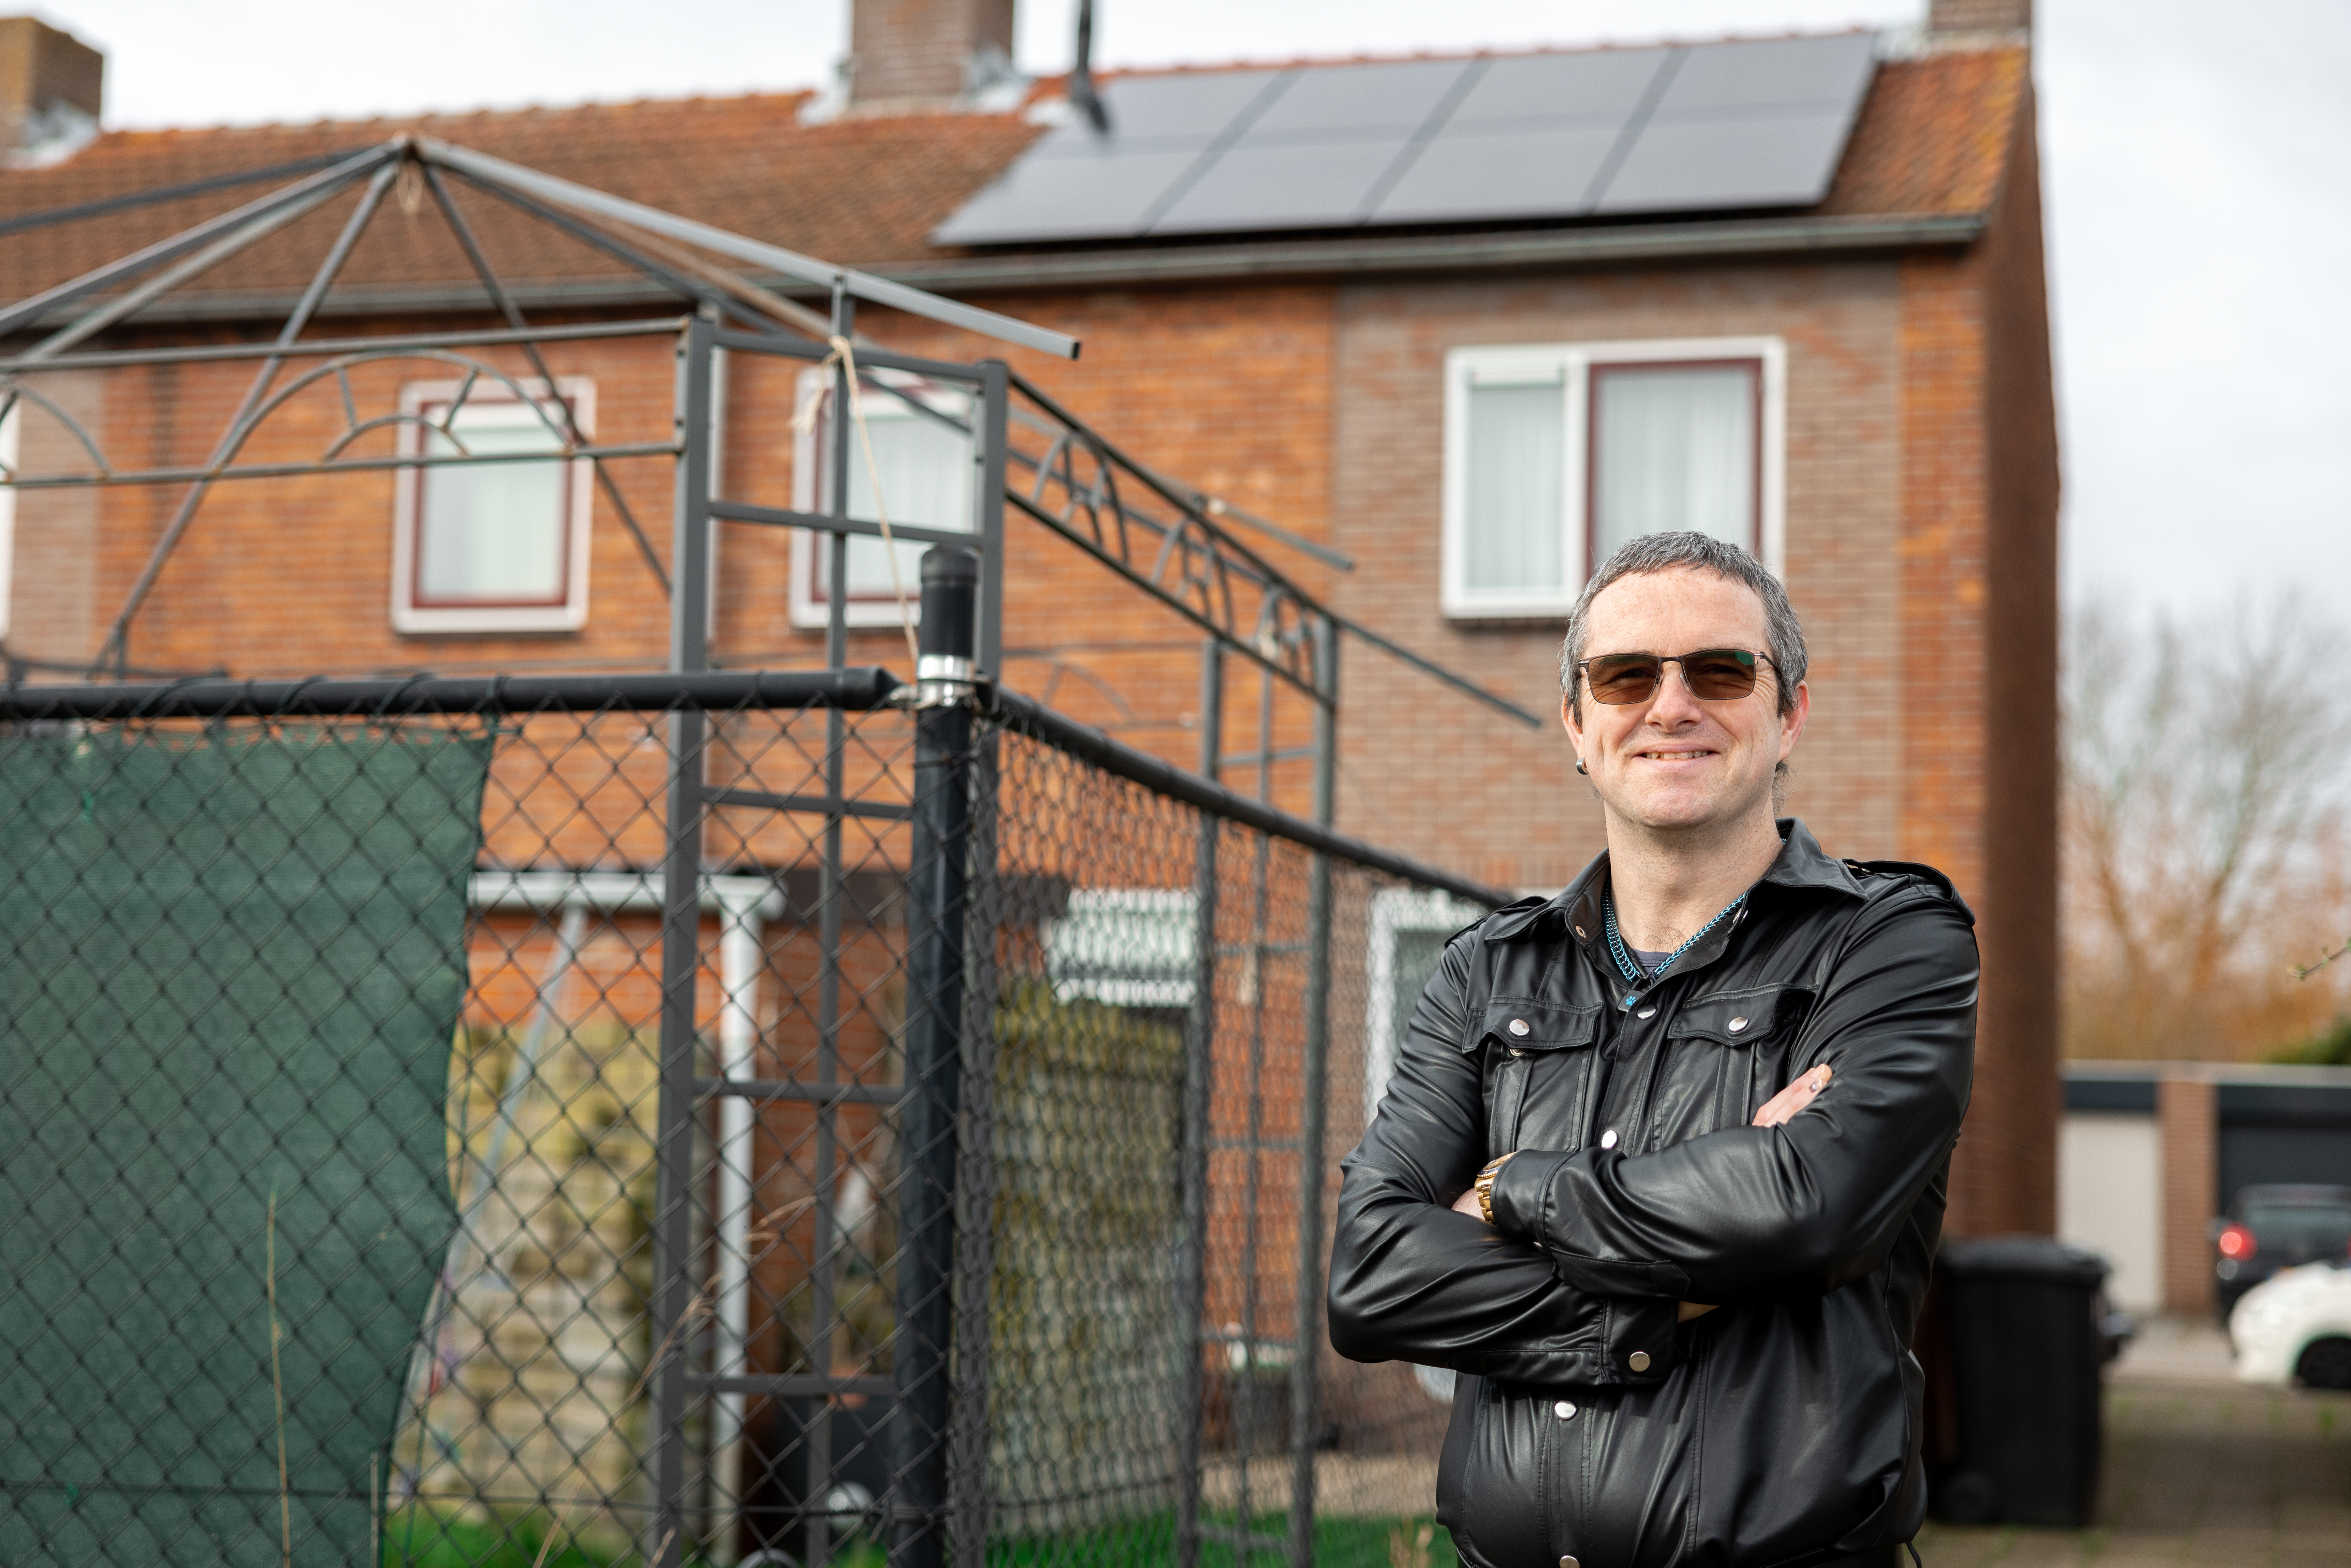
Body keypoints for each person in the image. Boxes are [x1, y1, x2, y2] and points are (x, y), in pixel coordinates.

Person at [1328, 531, 1976, 1568]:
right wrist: (1694, 1274)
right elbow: (1370, 1277)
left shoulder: (1889, 941)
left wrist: (1508, 1191)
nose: (1670, 705)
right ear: (1577, 726)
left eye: (1720, 670)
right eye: (1626, 673)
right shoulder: (1485, 973)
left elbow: (1810, 1206)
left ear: (1788, 714)